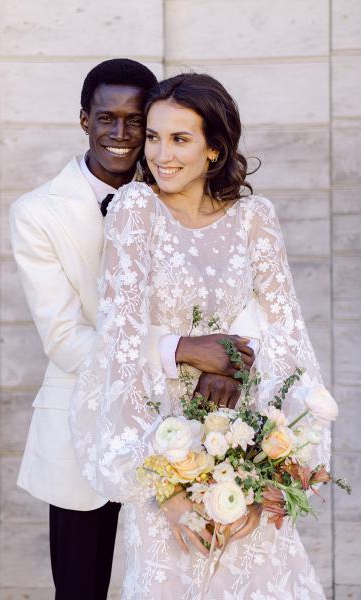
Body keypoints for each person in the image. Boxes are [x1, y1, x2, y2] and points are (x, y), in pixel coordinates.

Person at [70, 73, 332, 599]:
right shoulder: (134, 211)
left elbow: (290, 337)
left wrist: (275, 474)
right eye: (155, 137)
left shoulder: (256, 219)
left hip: (247, 449)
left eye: (180, 139)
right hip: (165, 452)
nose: (162, 154)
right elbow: (117, 348)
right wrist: (165, 489)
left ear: (214, 149)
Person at [10, 61, 253, 600]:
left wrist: (234, 361)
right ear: (83, 120)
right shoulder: (36, 213)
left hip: (186, 423)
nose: (121, 135)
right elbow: (66, 340)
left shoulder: (186, 190)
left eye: (136, 121)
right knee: (80, 590)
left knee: (181, 583)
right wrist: (186, 352)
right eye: (106, 118)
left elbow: (234, 294)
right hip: (84, 425)